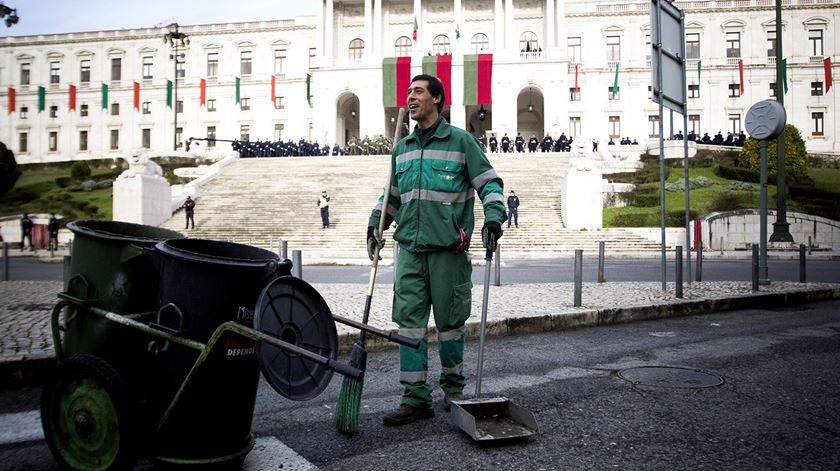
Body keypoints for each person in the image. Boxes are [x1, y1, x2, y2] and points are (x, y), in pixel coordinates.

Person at [368, 74, 506, 426]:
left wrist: (494, 217)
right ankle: (415, 399)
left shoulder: (461, 142)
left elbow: (489, 182)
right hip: (410, 250)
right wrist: (376, 223)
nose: (410, 97)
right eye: (409, 92)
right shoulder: (402, 148)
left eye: (418, 91)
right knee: (409, 326)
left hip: (449, 251)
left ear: (437, 99)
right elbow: (392, 197)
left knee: (449, 325)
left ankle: (454, 390)